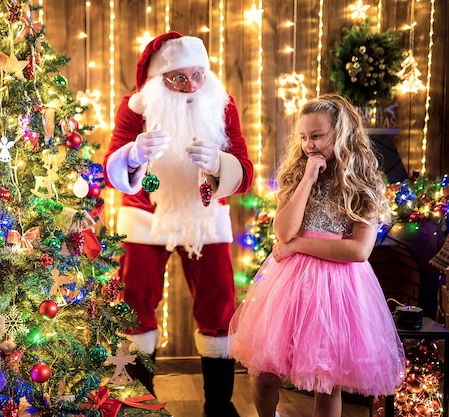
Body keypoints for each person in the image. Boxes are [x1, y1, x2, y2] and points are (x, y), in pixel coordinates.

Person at [103, 31, 253, 417]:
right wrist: (133, 154)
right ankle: (140, 402)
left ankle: (219, 405)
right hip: (145, 213)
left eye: (198, 74)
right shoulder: (135, 107)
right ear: (158, 79)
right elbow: (111, 167)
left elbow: (245, 171)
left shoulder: (222, 105)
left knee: (219, 301)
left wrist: (221, 164)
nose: (192, 85)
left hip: (204, 215)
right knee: (135, 302)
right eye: (178, 78)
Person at [227, 94, 406, 417]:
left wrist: (297, 245)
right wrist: (308, 179)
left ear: (341, 133)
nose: (309, 144)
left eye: (318, 136)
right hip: (290, 283)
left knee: (327, 381)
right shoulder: (299, 174)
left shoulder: (363, 183)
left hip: (339, 286)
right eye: (304, 137)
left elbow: (358, 250)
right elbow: (283, 232)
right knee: (266, 378)